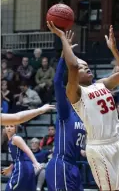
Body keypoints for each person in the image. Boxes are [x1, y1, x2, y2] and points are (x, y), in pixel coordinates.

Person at [47, 21, 119, 191]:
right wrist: (62, 39)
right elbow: (72, 65)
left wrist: (114, 49)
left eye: (87, 65)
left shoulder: (102, 83)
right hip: (101, 148)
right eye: (82, 68)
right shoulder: (75, 93)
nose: (86, 67)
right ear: (73, 76)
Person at [45, 31, 86, 191]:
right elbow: (57, 82)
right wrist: (64, 55)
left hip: (74, 167)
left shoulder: (84, 113)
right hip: (60, 165)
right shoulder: (65, 110)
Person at [2, 125, 42, 191]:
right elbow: (18, 157)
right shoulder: (10, 140)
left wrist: (35, 162)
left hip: (23, 166)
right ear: (4, 128)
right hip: (25, 166)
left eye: (11, 126)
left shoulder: (16, 138)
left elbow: (27, 149)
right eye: (7, 126)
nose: (9, 128)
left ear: (16, 128)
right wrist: (10, 168)